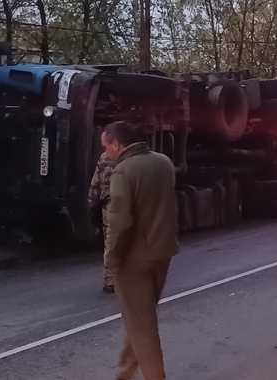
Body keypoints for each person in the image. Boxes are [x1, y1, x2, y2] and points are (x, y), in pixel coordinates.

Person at [102, 121, 179, 380]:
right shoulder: (164, 162)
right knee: (140, 321)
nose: (104, 154)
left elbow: (119, 221)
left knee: (143, 328)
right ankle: (124, 374)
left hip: (134, 260)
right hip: (162, 253)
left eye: (106, 146)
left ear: (117, 144)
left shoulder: (123, 171)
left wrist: (111, 260)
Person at [88, 150, 116, 293]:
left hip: (109, 207)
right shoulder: (135, 158)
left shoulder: (105, 157)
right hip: (129, 206)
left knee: (110, 244)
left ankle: (110, 280)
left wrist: (92, 206)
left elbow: (95, 184)